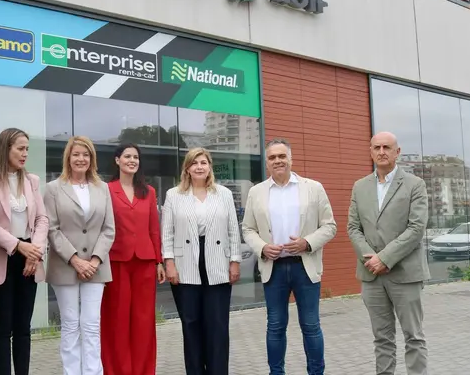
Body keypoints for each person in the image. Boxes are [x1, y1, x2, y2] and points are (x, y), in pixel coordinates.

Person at [241, 138, 337, 375]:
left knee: (311, 325)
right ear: (267, 163)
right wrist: (263, 247)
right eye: (272, 157)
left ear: (291, 159)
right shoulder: (256, 192)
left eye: (282, 156)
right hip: (273, 268)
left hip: (305, 266)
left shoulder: (313, 188)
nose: (278, 161)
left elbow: (329, 226)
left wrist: (307, 243)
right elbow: (248, 229)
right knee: (275, 326)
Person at [347, 131, 429, 375]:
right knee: (382, 338)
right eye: (377, 147)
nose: (381, 152)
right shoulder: (360, 186)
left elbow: (416, 228)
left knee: (413, 336)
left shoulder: (415, 184)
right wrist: (371, 259)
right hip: (371, 275)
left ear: (397, 152)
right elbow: (353, 228)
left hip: (405, 274)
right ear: (370, 152)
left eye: (386, 147)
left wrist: (384, 258)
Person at [161, 147, 242, 375]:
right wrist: (169, 263)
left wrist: (235, 261)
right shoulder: (174, 195)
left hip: (218, 263)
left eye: (203, 162)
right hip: (185, 265)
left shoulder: (224, 194)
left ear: (209, 167)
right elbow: (167, 233)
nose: (199, 167)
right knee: (191, 325)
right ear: (187, 168)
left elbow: (233, 230)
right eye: (194, 163)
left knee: (217, 326)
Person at [0, 128, 49, 375]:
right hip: (2, 259)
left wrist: (34, 252)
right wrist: (19, 246)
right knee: (2, 328)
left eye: (27, 148)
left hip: (30, 258)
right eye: (20, 148)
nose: (25, 153)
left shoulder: (32, 181)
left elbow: (42, 219)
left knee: (23, 328)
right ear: (5, 149)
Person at [44, 135, 115, 375]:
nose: (81, 159)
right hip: (65, 266)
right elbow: (52, 229)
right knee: (71, 324)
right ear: (68, 158)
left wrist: (94, 260)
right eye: (76, 154)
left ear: (92, 159)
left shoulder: (102, 188)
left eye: (86, 155)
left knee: (91, 325)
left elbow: (109, 229)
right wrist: (75, 260)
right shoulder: (53, 189)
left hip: (96, 267)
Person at [100, 143, 165, 375]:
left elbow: (154, 229)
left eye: (135, 157)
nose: (132, 160)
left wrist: (158, 261)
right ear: (117, 160)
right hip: (116, 261)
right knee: (117, 320)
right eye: (127, 156)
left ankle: (143, 370)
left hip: (145, 262)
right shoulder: (106, 190)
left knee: (143, 321)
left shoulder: (149, 191)